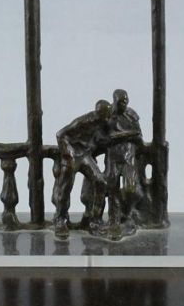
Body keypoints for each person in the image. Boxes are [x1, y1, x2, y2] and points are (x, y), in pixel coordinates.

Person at [52, 100, 112, 239]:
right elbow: (60, 135)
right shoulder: (83, 121)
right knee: (65, 188)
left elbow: (103, 140)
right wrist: (68, 153)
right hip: (72, 156)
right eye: (106, 114)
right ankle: (60, 220)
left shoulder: (103, 124)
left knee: (100, 182)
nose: (108, 117)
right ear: (99, 113)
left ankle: (95, 220)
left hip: (85, 156)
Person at [104, 89, 143, 238]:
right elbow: (107, 138)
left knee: (131, 189)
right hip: (113, 157)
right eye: (121, 102)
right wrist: (129, 134)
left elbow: (138, 136)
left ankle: (126, 215)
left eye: (126, 101)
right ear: (115, 101)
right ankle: (114, 220)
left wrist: (125, 136)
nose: (124, 104)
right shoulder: (108, 115)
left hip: (129, 156)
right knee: (112, 189)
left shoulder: (131, 115)